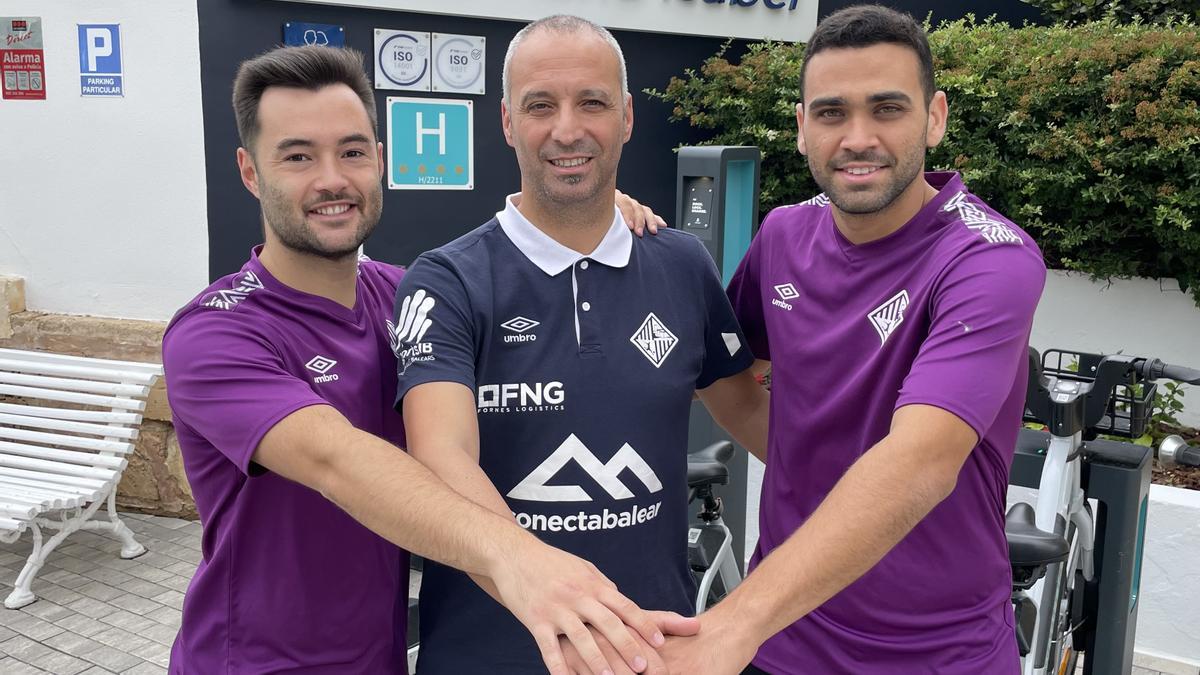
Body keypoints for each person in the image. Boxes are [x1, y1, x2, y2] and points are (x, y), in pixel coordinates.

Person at [161, 44, 680, 675]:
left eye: (352, 152)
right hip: (254, 663)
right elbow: (337, 461)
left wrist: (597, 213)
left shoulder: (408, 293)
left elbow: (514, 271)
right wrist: (519, 559)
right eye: (297, 157)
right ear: (250, 171)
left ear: (379, 161)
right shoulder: (217, 334)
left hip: (383, 658)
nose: (332, 179)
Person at [644, 6, 1047, 673]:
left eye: (887, 108)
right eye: (831, 113)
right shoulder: (782, 236)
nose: (858, 137)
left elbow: (920, 460)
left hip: (940, 655)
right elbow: (725, 373)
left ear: (935, 117)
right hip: (784, 645)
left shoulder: (988, 259)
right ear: (802, 129)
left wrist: (735, 619)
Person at [390, 15, 771, 674]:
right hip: (486, 656)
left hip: (652, 652)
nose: (567, 129)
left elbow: (752, 413)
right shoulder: (447, 278)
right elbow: (440, 454)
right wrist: (541, 575)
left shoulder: (681, 264)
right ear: (508, 122)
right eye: (541, 105)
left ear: (625, 117)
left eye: (591, 102)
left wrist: (875, 490)